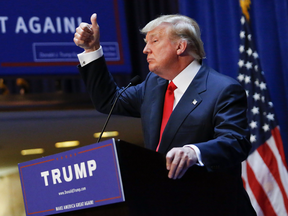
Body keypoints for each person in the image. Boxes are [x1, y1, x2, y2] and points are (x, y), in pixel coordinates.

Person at [74, 13, 256, 215]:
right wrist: (91, 50)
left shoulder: (222, 89)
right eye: (145, 42)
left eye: (155, 40)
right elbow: (109, 101)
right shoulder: (154, 85)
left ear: (180, 46)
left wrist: (193, 152)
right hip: (164, 205)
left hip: (212, 207)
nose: (145, 49)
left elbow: (236, 141)